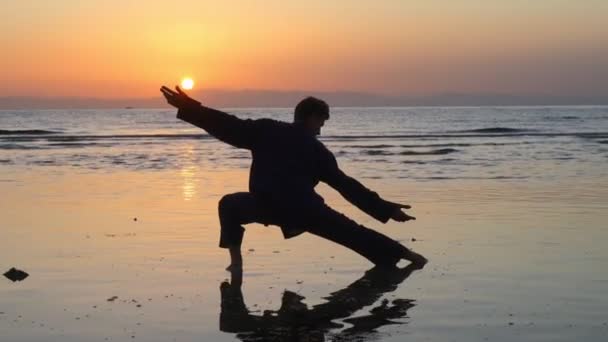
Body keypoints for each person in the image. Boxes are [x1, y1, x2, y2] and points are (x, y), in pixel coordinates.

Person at [160, 86, 427, 270]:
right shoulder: (316, 150)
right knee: (352, 233)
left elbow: (228, 125)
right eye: (320, 124)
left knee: (229, 205)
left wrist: (191, 109)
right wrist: (387, 209)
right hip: (304, 211)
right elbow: (346, 186)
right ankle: (408, 255)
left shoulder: (266, 130)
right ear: (310, 117)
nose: (320, 131)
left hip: (270, 207)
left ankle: (236, 262)